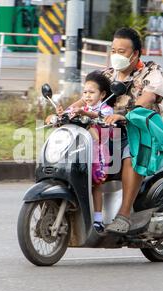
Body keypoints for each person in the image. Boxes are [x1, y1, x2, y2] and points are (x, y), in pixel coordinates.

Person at [66, 27, 163, 234]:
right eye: (114, 50)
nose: (116, 55)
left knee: (131, 154)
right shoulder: (106, 76)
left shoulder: (151, 71)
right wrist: (66, 112)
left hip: (140, 132)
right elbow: (86, 98)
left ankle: (124, 214)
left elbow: (148, 97)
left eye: (122, 51)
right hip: (108, 133)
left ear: (135, 53)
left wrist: (126, 114)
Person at [47, 72, 115, 232]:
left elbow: (98, 116)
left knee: (96, 184)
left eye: (92, 92)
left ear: (103, 94)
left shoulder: (106, 109)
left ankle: (98, 219)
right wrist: (59, 114)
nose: (87, 95)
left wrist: (85, 113)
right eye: (85, 92)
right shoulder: (81, 107)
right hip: (79, 150)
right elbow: (68, 115)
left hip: (97, 152)